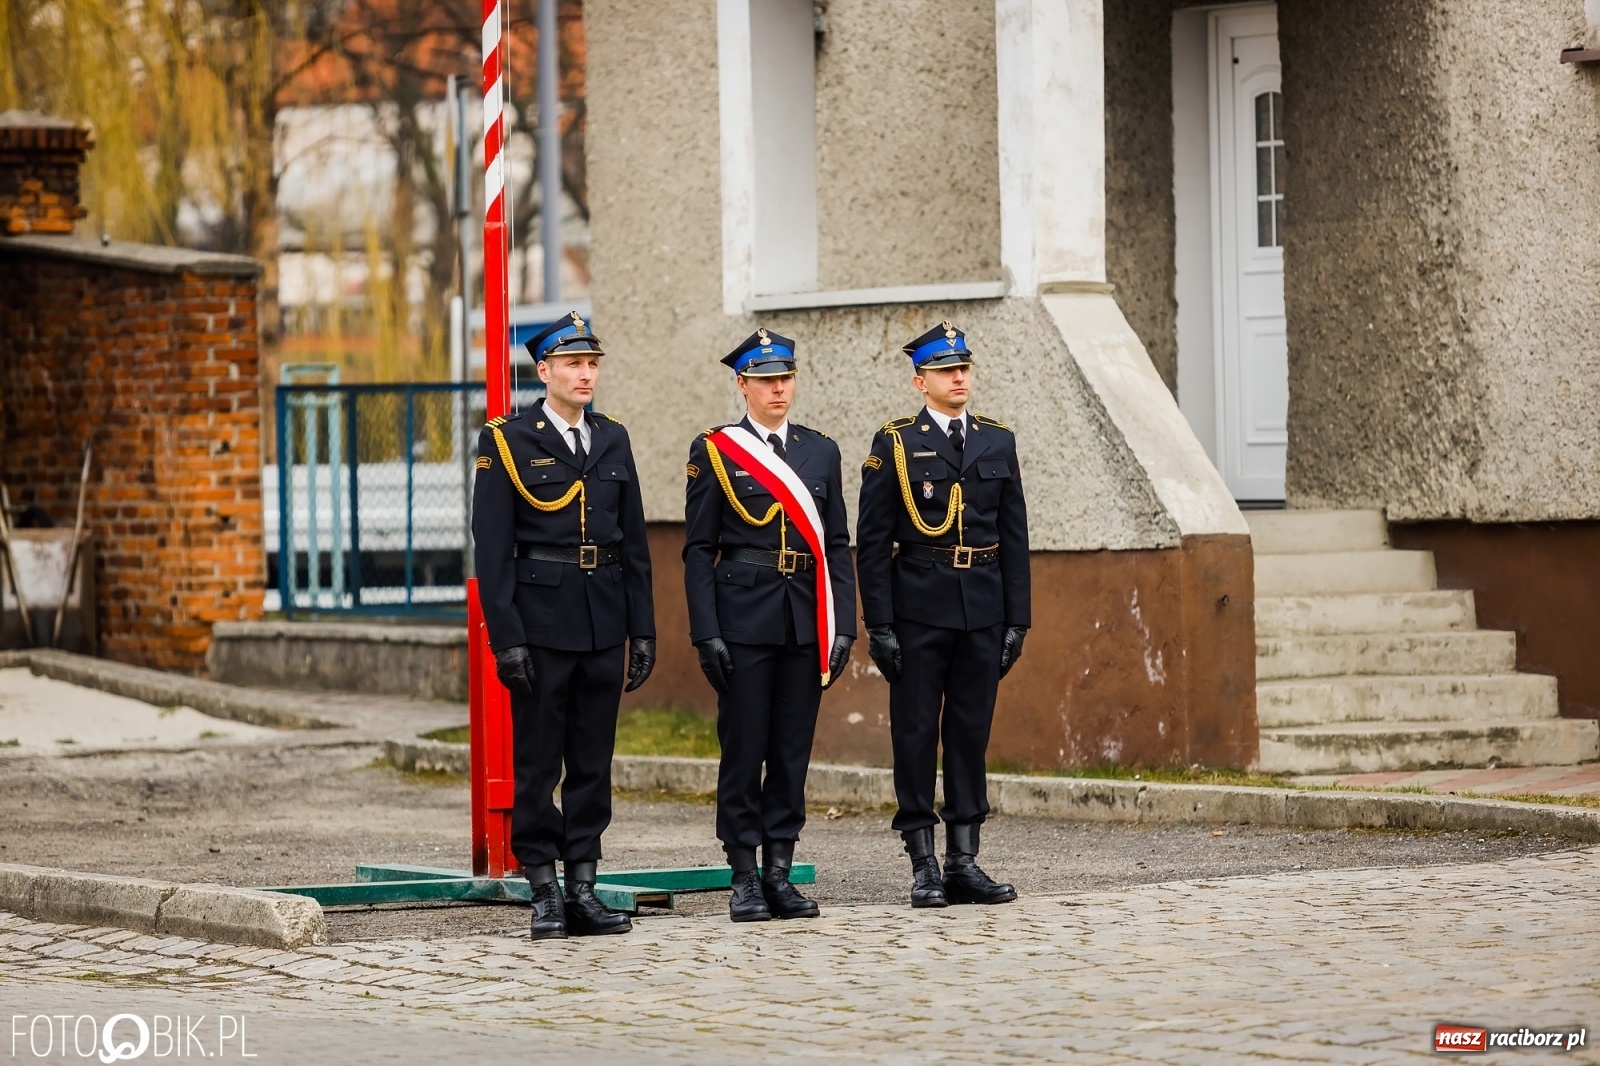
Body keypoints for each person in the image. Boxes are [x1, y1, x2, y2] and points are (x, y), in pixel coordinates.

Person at [471, 311, 656, 940]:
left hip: (604, 618)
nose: (585, 374)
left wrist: (644, 629)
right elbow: (491, 550)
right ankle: (543, 887)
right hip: (541, 623)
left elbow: (633, 542)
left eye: (593, 363)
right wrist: (508, 638)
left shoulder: (613, 437)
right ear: (543, 370)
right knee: (538, 764)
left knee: (592, 762)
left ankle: (584, 886)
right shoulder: (506, 440)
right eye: (573, 364)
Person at [855, 321, 1030, 908]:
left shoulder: (997, 441)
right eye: (946, 370)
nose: (959, 377)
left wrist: (1018, 620)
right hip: (919, 609)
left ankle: (964, 859)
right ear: (920, 381)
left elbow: (1015, 535)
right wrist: (878, 624)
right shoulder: (895, 443)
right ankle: (922, 861)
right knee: (914, 733)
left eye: (964, 368)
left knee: (969, 733)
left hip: (982, 605)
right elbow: (873, 541)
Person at [683, 328, 856, 923]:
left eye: (785, 378)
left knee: (790, 751)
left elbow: (837, 545)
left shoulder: (820, 451)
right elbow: (699, 549)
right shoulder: (715, 451)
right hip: (743, 621)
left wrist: (845, 627)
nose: (777, 389)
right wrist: (705, 632)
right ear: (743, 385)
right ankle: (742, 875)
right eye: (765, 380)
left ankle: (779, 870)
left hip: (806, 620)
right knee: (744, 748)